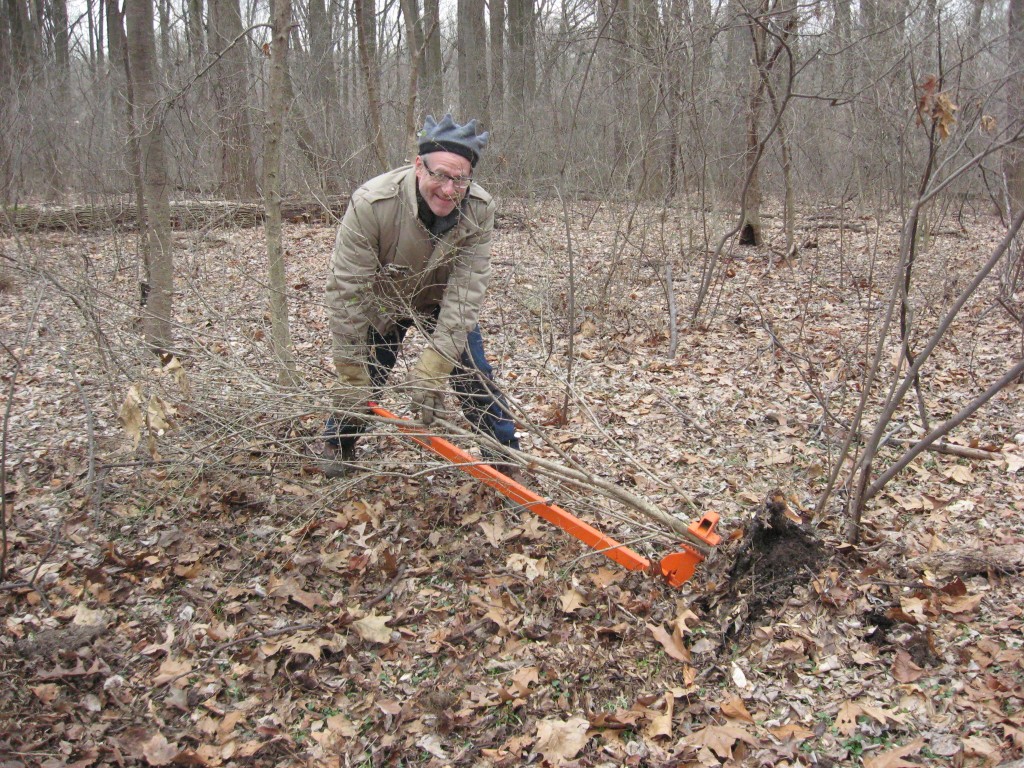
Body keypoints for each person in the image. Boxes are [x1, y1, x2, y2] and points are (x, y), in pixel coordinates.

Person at [322, 114, 520, 477]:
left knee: (475, 376)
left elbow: (466, 291)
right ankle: (339, 443)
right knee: (365, 377)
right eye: (440, 175)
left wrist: (435, 365)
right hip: (384, 300)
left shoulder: (479, 209)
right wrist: (350, 367)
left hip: (442, 302)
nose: (448, 189)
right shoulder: (372, 203)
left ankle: (505, 461)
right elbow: (347, 291)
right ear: (418, 166)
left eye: (460, 179)